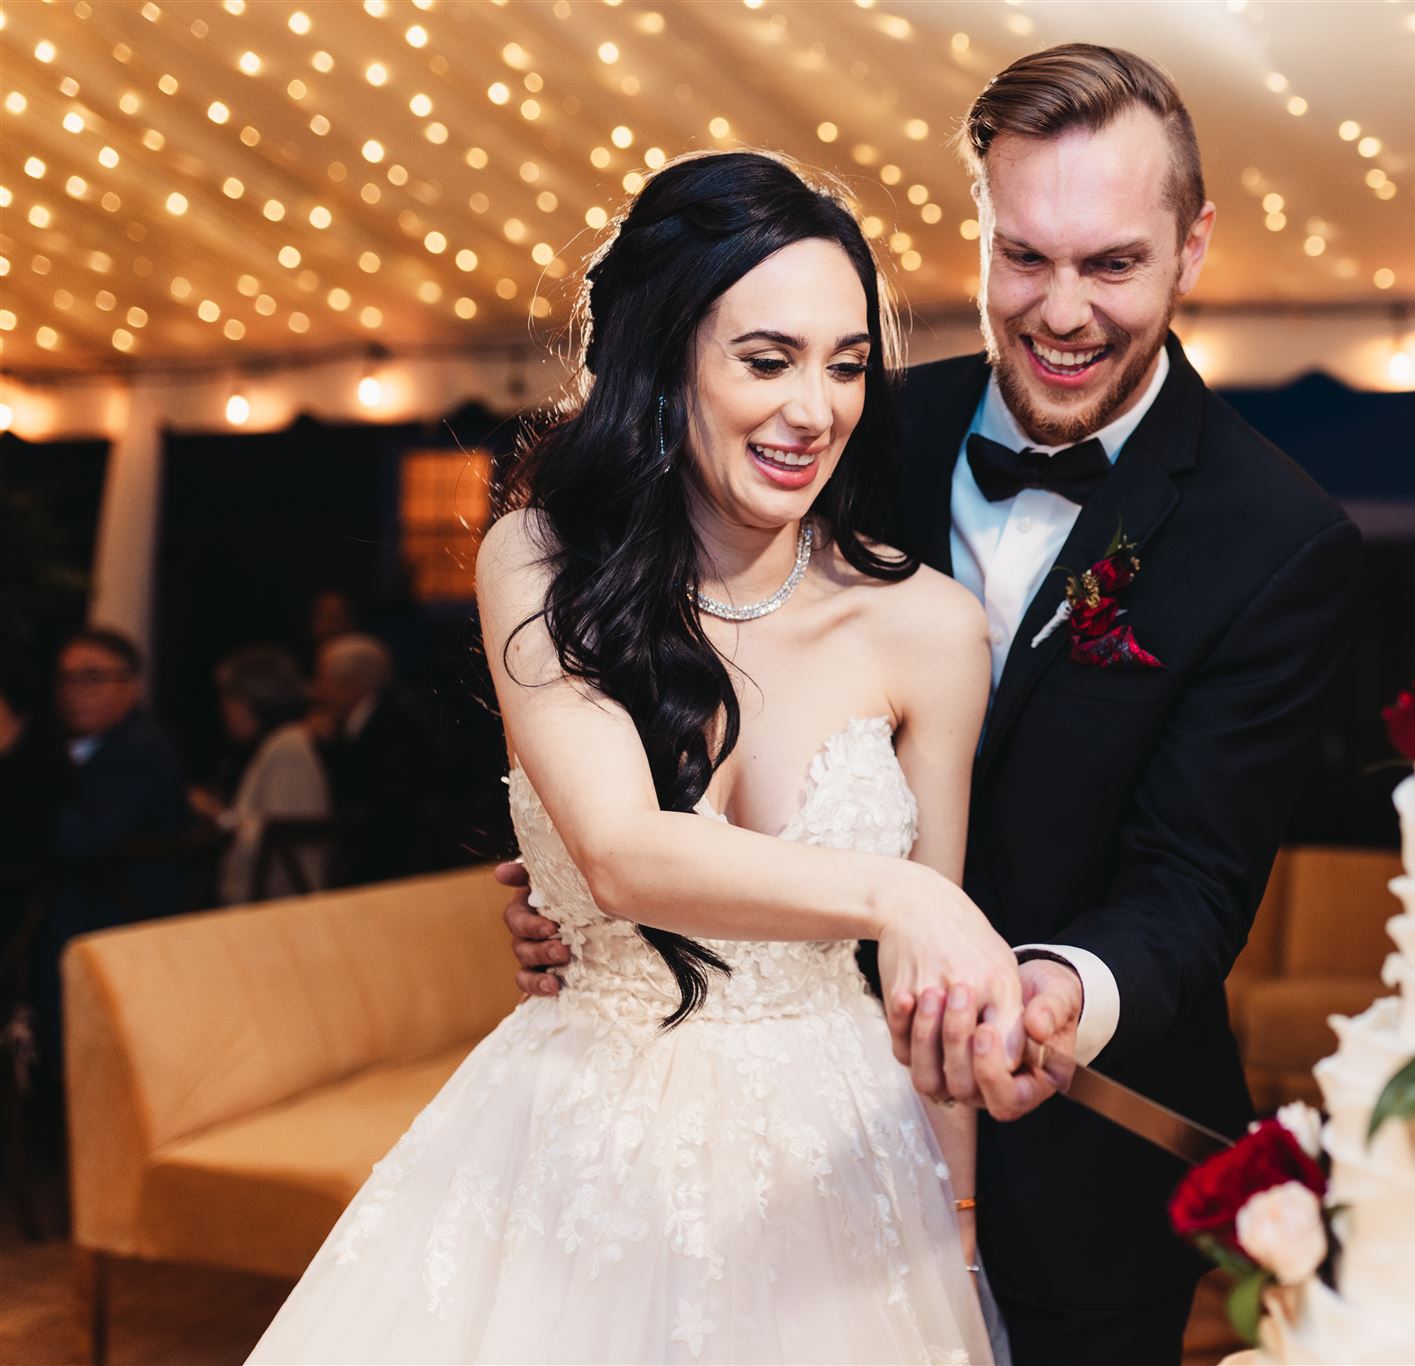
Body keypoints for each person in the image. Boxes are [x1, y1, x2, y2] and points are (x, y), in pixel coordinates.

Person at [505, 44, 1368, 1364]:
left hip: (1074, 1152)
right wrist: (585, 885)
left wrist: (1052, 990)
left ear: (1191, 248)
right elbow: (675, 673)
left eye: (1111, 265)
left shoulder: (1277, 537)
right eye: (1023, 257)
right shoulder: (840, 419)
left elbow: (1191, 883)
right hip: (750, 1141)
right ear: (978, 230)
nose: (1061, 311)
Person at [251, 150, 1007, 1363]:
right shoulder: (538, 561)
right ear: (663, 361)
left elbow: (933, 1011)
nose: (815, 409)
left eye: (845, 363)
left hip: (840, 1165)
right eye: (766, 359)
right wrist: (900, 892)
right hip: (579, 1151)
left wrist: (956, 1229)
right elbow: (617, 851)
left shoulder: (929, 626)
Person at [33, 629, 193, 1140]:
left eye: (92, 677)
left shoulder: (134, 750)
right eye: (66, 679)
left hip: (122, 921)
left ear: (131, 686)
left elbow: (87, 838)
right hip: (97, 910)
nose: (74, 691)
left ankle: (57, 1124)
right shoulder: (86, 748)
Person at [198, 645, 331, 905]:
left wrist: (219, 817)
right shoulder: (279, 742)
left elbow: (280, 836)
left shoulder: (288, 747)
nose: (224, 710)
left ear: (251, 702)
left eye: (229, 700)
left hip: (277, 905)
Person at [310, 633, 430, 885]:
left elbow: (371, 798)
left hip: (390, 868)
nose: (316, 691)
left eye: (324, 680)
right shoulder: (369, 722)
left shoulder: (391, 727)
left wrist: (328, 747)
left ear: (352, 683)